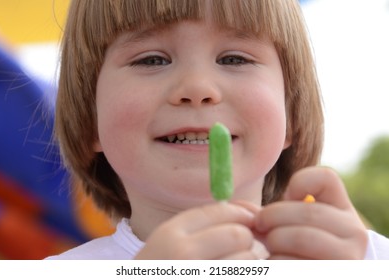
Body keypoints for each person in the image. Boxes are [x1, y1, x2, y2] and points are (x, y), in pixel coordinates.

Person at [46, 0, 389, 260]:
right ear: (90, 118)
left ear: (292, 115)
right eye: (151, 60)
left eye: (234, 59)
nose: (197, 87)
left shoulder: (365, 260)